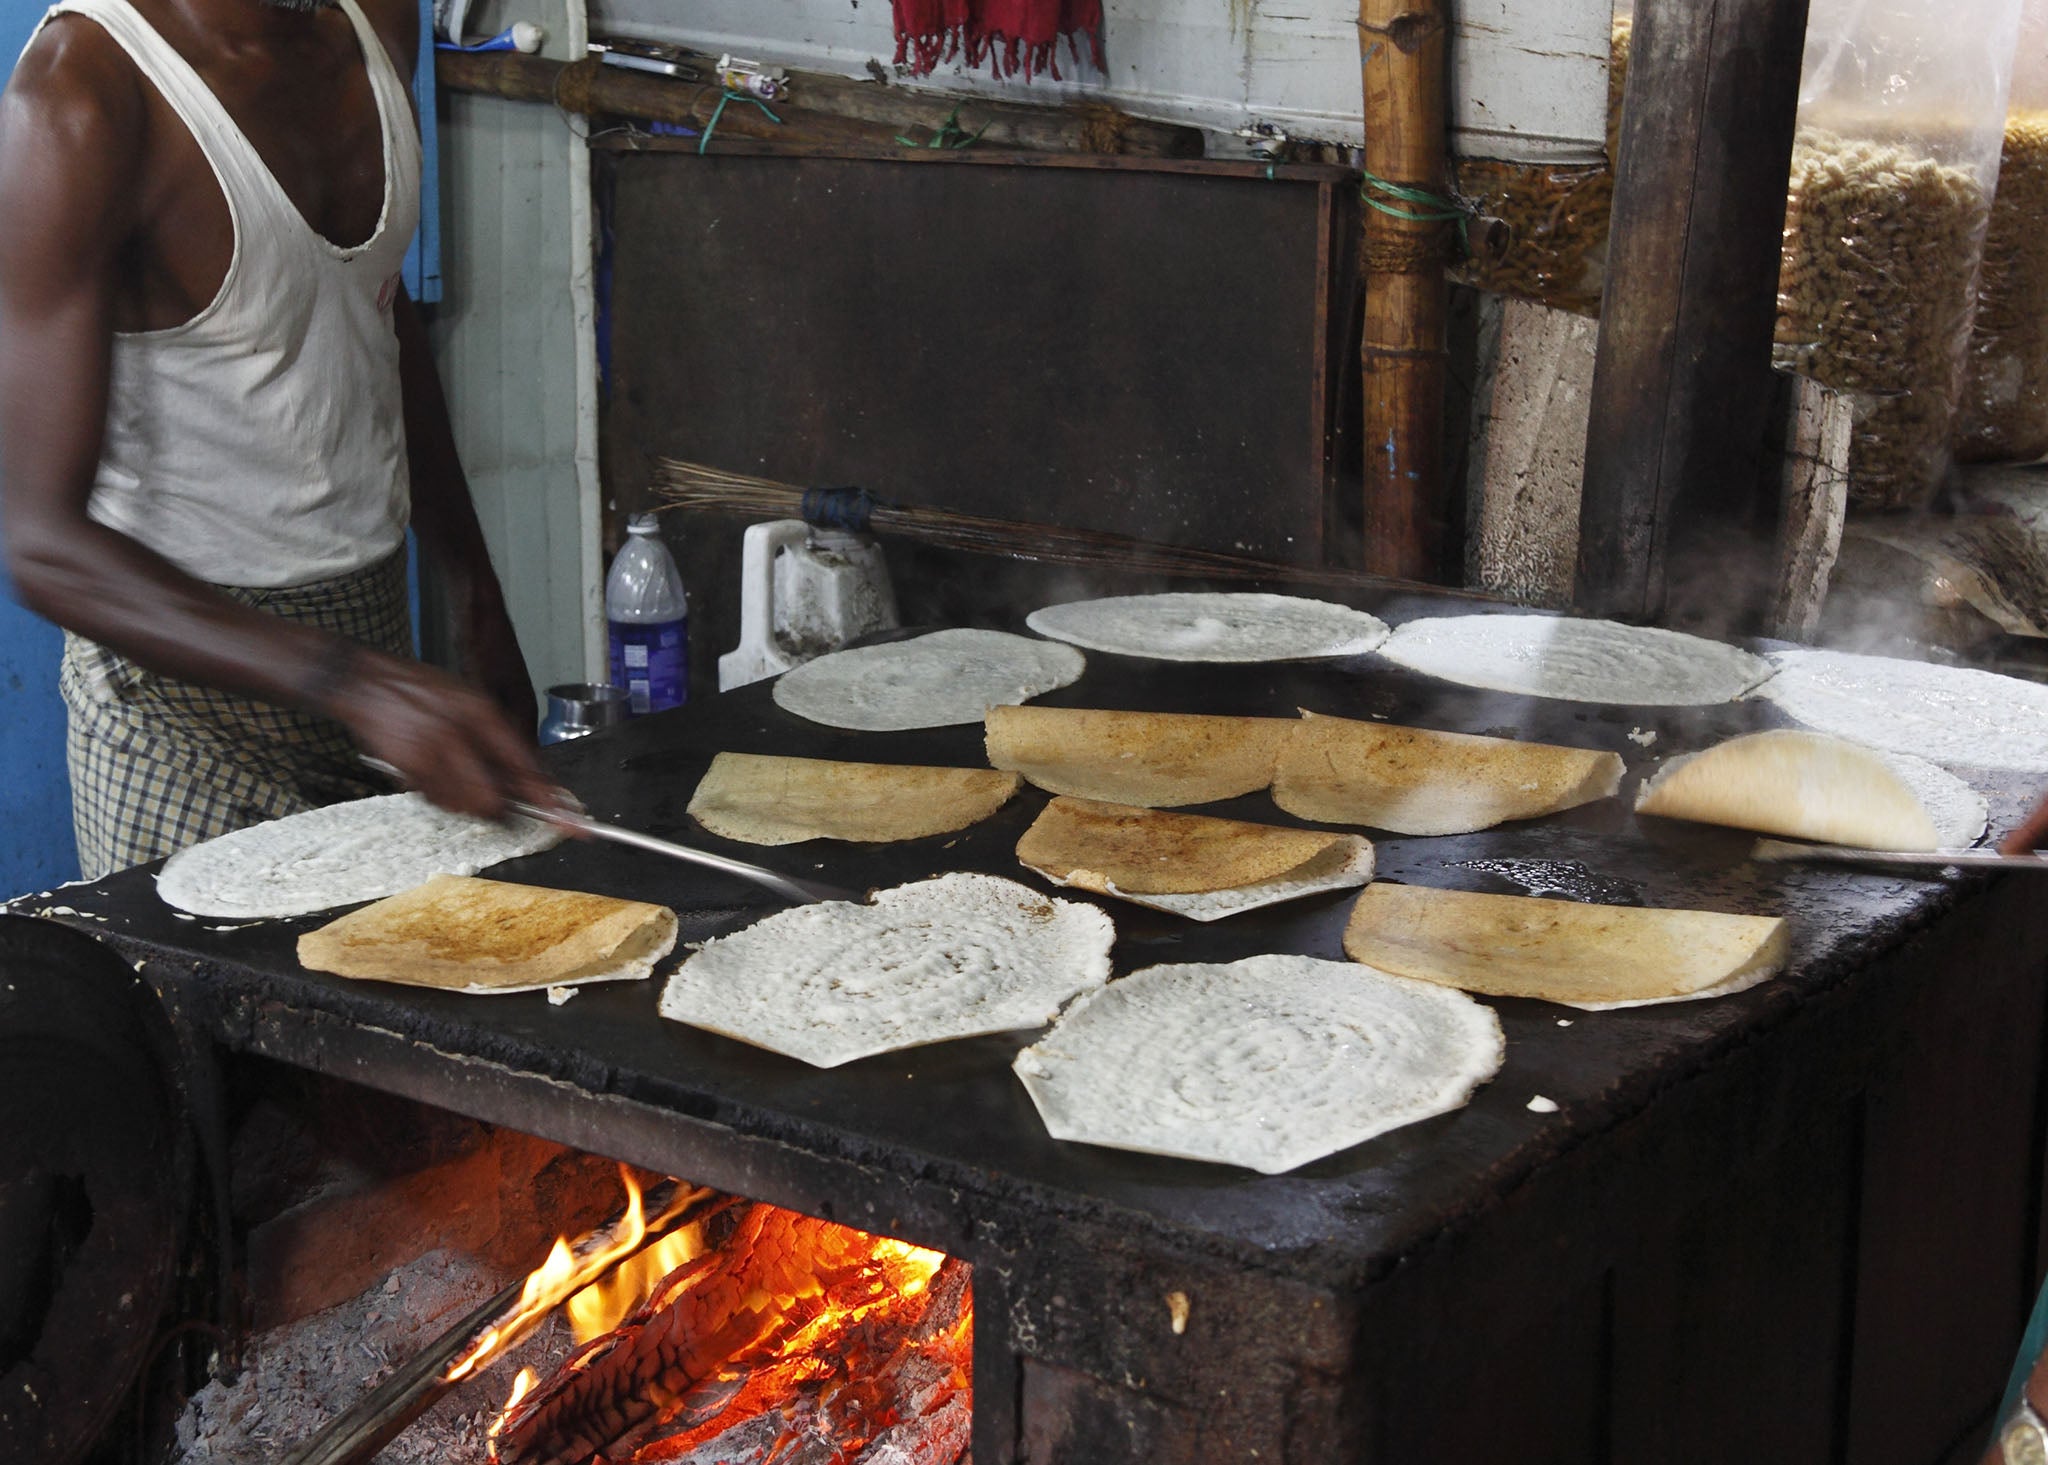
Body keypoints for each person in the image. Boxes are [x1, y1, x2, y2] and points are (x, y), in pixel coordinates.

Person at [0, 0, 562, 879]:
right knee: (209, 1011)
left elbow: (369, 310)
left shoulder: (379, 23)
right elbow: (37, 541)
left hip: (375, 646)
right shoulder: (83, 95)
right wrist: (357, 683)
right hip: (179, 712)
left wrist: (476, 593)